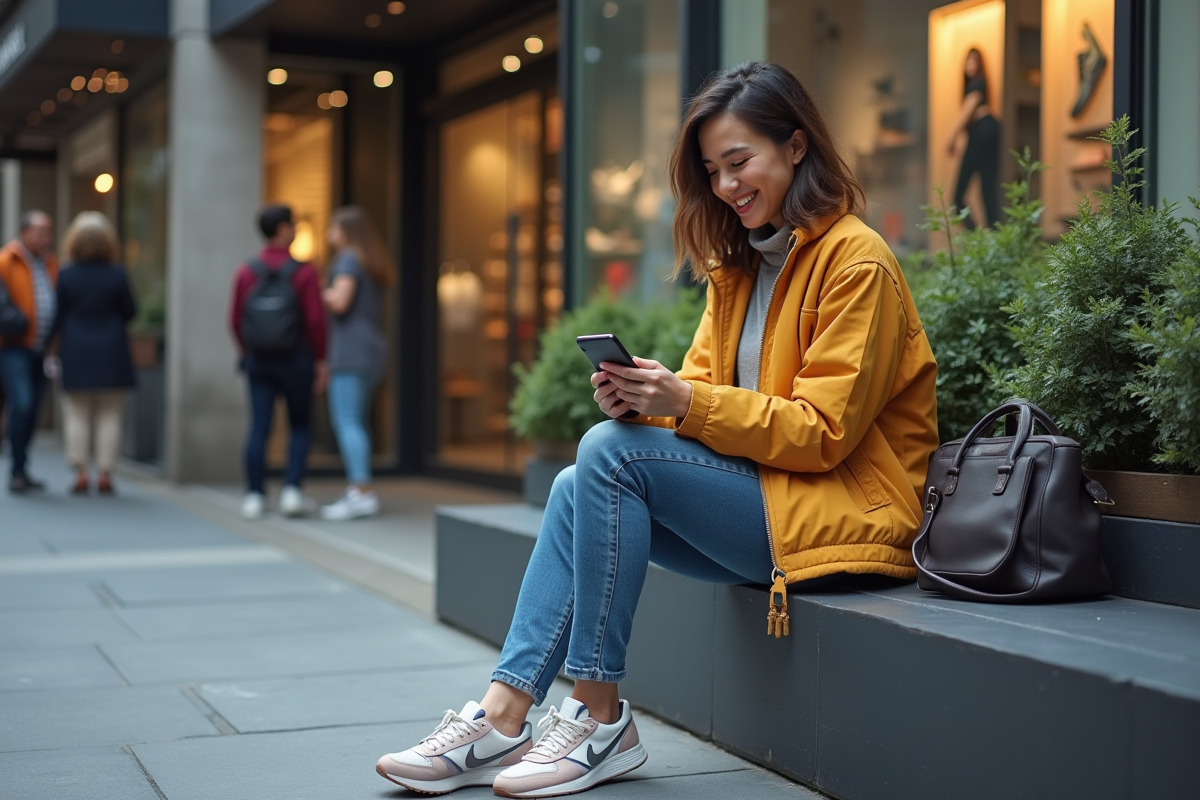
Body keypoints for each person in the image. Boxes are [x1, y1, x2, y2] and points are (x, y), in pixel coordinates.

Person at [373, 62, 939, 799]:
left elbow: (822, 432)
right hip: (772, 501)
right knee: (584, 479)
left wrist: (685, 404)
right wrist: (648, 401)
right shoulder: (741, 268)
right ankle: (505, 713)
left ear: (796, 147)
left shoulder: (856, 261)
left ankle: (598, 715)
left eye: (740, 162)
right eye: (713, 171)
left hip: (847, 516)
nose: (727, 186)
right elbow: (703, 397)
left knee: (603, 460)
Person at [229, 204, 328, 520]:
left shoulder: (247, 270)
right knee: (300, 425)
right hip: (296, 358)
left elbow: (234, 319)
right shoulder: (305, 272)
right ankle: (291, 492)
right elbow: (315, 320)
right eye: (293, 224)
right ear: (283, 229)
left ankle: (255, 495)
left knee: (259, 426)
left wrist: (248, 350)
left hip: (259, 360)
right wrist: (321, 359)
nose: (296, 229)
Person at [51, 212, 137, 495]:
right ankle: (104, 473)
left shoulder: (66, 274)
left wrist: (49, 350)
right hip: (111, 349)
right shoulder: (117, 273)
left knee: (77, 413)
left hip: (76, 349)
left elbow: (57, 316)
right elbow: (130, 312)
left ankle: (80, 472)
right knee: (109, 413)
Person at [319, 206, 393, 521]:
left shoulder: (348, 259)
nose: (328, 235)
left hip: (351, 351)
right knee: (357, 421)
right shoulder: (369, 260)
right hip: (371, 350)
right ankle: (360, 489)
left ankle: (360, 492)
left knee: (348, 421)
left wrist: (310, 291)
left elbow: (340, 301)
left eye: (333, 229)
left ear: (346, 231)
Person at [0, 210, 57, 493]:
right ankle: (15, 470)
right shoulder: (6, 261)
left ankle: (22, 468)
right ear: (25, 232)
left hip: (41, 349)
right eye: (40, 231)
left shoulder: (50, 264)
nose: (46, 237)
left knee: (32, 408)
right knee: (21, 403)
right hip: (12, 347)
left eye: (48, 231)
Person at [947, 47, 1000, 229]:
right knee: (985, 194)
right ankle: (987, 240)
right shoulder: (975, 85)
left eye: (973, 61)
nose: (969, 65)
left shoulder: (977, 84)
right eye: (967, 61)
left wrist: (952, 138)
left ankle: (984, 241)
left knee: (969, 195)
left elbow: (968, 110)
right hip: (983, 132)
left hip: (984, 131)